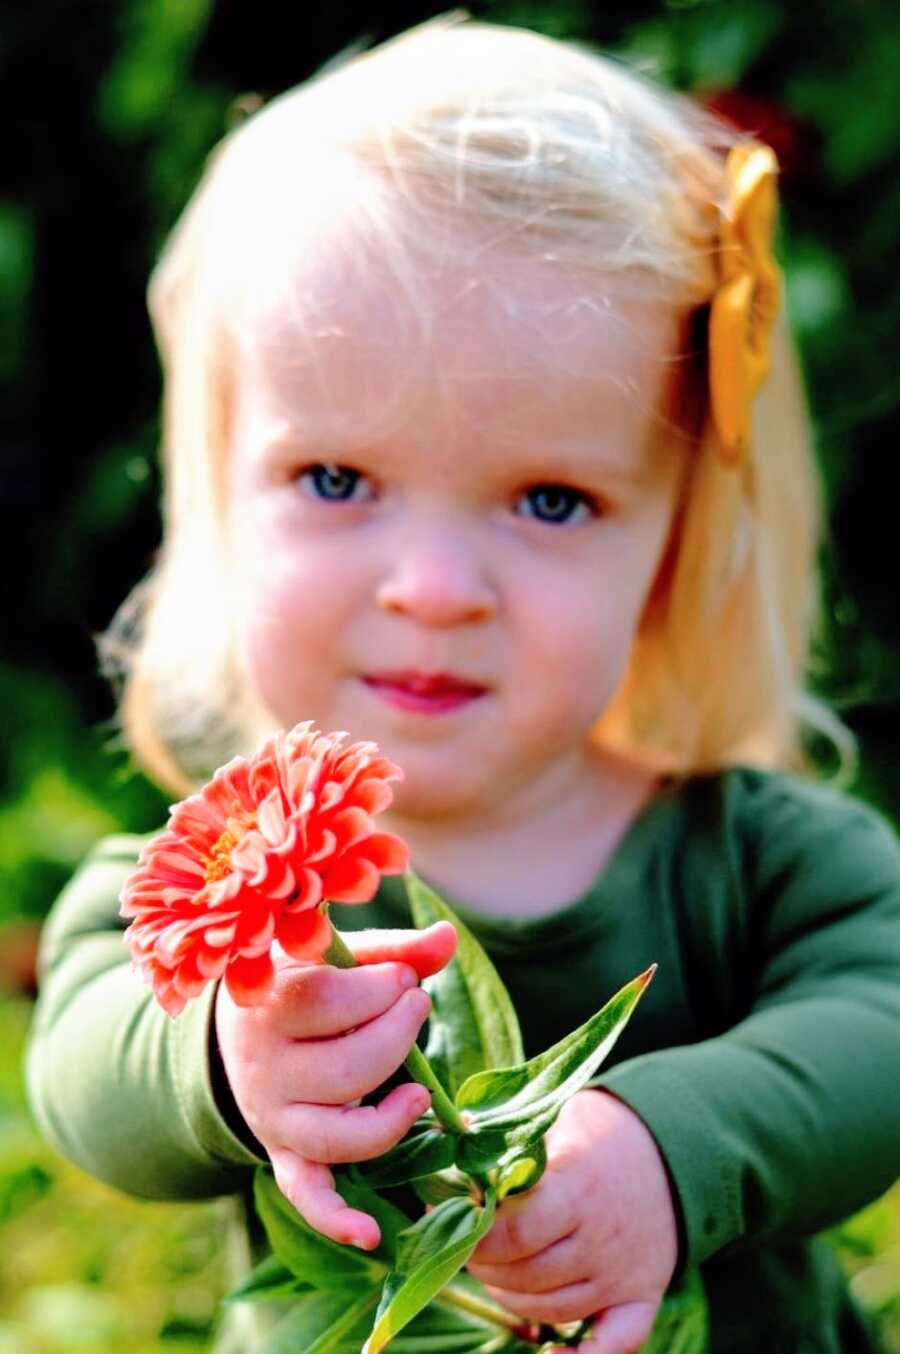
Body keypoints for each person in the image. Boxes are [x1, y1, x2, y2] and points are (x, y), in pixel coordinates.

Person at [24, 17, 900, 1354]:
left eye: (551, 498)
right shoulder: (224, 882)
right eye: (337, 480)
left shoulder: (761, 857)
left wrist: (679, 1144)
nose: (434, 585)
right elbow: (86, 1061)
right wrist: (225, 1056)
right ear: (216, 502)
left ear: (677, 544)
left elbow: (881, 1026)